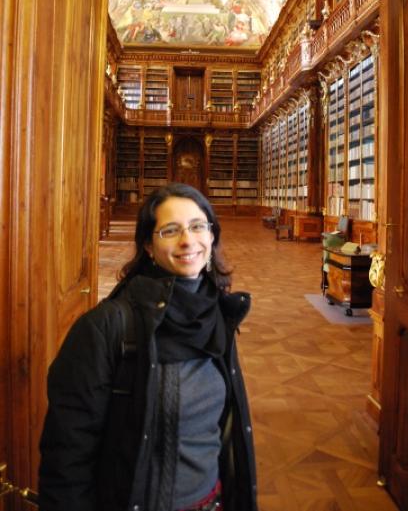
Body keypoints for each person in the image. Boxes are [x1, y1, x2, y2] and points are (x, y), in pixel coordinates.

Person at [38, 183, 258, 511]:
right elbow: (67, 457)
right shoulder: (105, 327)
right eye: (170, 230)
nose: (188, 240)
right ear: (149, 246)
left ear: (212, 236)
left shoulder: (218, 314)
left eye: (198, 226)